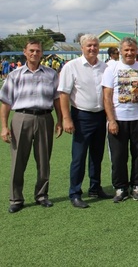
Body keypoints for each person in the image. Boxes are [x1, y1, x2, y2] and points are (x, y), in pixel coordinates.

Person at [1, 40, 62, 213]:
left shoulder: (51, 74)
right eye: (31, 50)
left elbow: (57, 99)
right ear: (25, 52)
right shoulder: (15, 75)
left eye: (38, 51)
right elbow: (5, 103)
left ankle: (42, 195)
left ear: (42, 53)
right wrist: (4, 127)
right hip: (22, 118)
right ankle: (16, 198)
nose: (35, 53)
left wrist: (60, 120)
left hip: (44, 118)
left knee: (43, 160)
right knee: (18, 160)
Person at [57, 34, 111, 209]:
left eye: (95, 45)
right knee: (79, 157)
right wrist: (66, 119)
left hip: (100, 115)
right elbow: (64, 94)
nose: (92, 48)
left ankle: (95, 187)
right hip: (81, 116)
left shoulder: (105, 67)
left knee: (97, 156)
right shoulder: (71, 66)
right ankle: (75, 193)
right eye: (89, 46)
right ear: (82, 47)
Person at [102, 37, 138, 203]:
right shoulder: (111, 69)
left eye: (132, 50)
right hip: (118, 119)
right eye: (126, 50)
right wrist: (111, 120)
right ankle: (120, 188)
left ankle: (136, 186)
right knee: (118, 156)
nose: (129, 53)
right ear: (120, 51)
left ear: (137, 51)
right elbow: (106, 97)